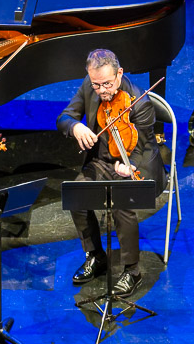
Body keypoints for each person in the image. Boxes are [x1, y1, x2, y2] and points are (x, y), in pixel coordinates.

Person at [58, 48, 161, 298]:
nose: (102, 90)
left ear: (119, 74)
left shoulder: (139, 102)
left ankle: (132, 271)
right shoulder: (89, 84)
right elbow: (65, 117)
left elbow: (142, 147)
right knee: (76, 195)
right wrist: (76, 127)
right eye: (97, 85)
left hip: (135, 163)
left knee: (121, 203)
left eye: (107, 84)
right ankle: (96, 256)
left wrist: (129, 166)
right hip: (102, 161)